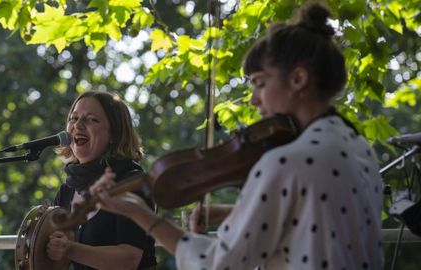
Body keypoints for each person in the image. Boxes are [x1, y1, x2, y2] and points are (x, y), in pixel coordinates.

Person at [88, 2, 384, 270]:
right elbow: (320, 218)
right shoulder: (357, 146)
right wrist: (235, 211)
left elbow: (217, 264)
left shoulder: (285, 162)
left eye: (259, 83)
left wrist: (141, 215)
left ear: (298, 79)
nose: (254, 99)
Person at [46, 91, 157, 270]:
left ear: (114, 133)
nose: (78, 125)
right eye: (73, 119)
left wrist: (69, 249)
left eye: (91, 120)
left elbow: (129, 260)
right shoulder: (67, 189)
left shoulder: (133, 182)